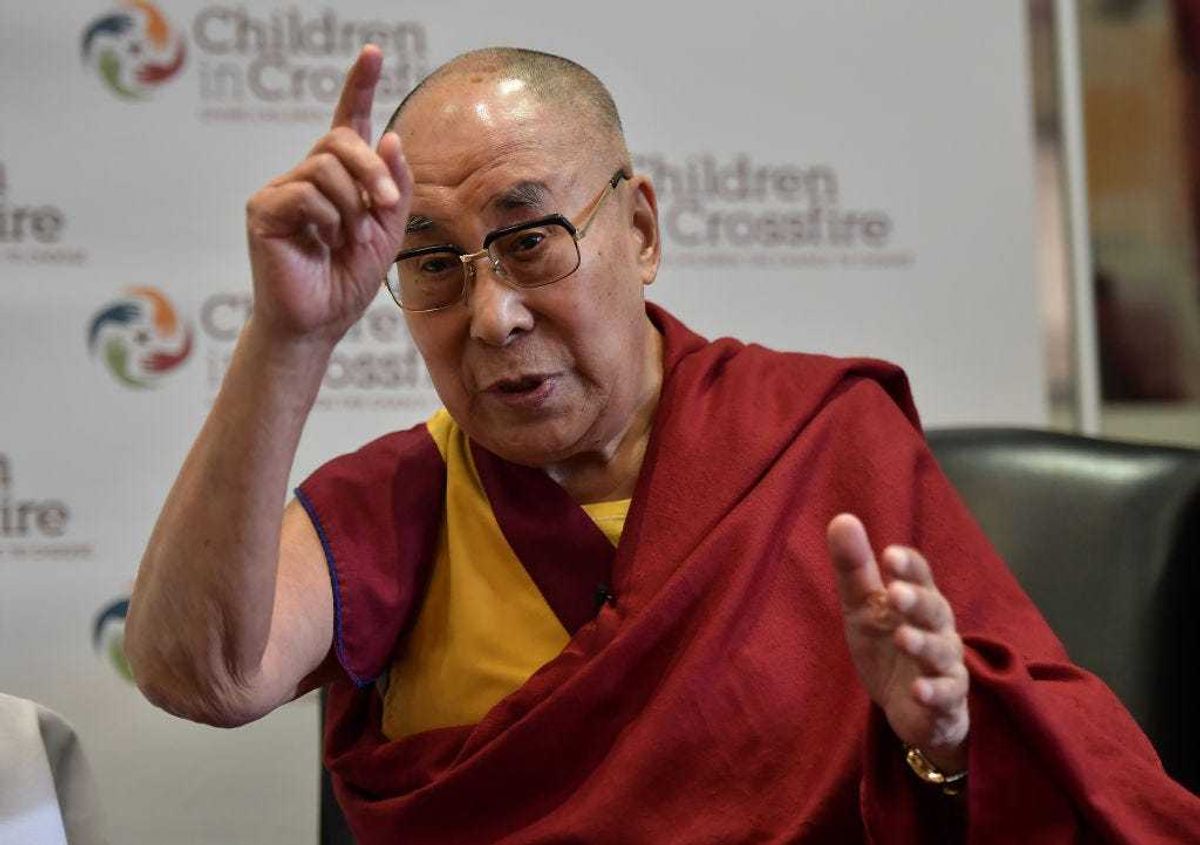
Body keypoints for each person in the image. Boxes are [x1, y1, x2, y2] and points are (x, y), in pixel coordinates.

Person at [124, 45, 1200, 843]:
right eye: (436, 266)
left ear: (638, 231)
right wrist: (288, 335)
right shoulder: (401, 502)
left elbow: (1078, 788)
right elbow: (197, 673)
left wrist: (946, 738)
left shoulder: (817, 439)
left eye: (529, 239)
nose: (492, 313)